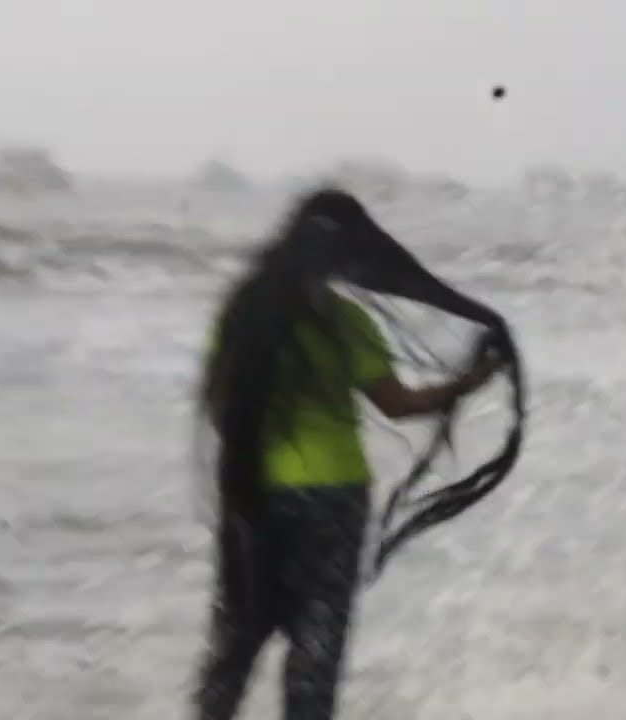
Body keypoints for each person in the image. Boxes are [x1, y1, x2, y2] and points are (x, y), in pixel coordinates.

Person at [192, 188, 505, 720]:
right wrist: (472, 382)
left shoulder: (243, 316)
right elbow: (399, 405)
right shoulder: (346, 323)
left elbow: (220, 413)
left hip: (257, 494)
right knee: (316, 645)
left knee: (237, 642)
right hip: (336, 497)